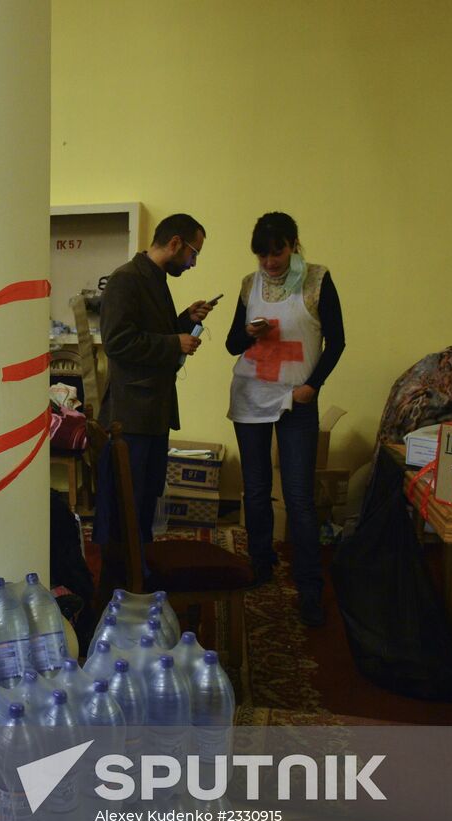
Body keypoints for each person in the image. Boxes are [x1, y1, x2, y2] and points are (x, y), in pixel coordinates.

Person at [225, 212, 346, 626]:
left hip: (298, 399)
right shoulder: (249, 283)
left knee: (299, 497)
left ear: (293, 244)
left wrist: (313, 385)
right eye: (261, 254)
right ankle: (261, 567)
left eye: (276, 252)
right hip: (251, 396)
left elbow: (337, 340)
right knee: (256, 492)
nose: (269, 261)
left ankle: (309, 586)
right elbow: (231, 344)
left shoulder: (317, 279)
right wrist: (250, 333)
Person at [94, 213, 218, 549]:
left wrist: (183, 321)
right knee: (126, 509)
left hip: (153, 411)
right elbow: (118, 342)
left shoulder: (154, 278)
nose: (193, 263)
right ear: (175, 243)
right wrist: (174, 342)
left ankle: (141, 572)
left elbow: (148, 333)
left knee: (145, 503)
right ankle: (122, 581)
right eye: (193, 253)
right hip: (131, 415)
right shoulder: (126, 279)